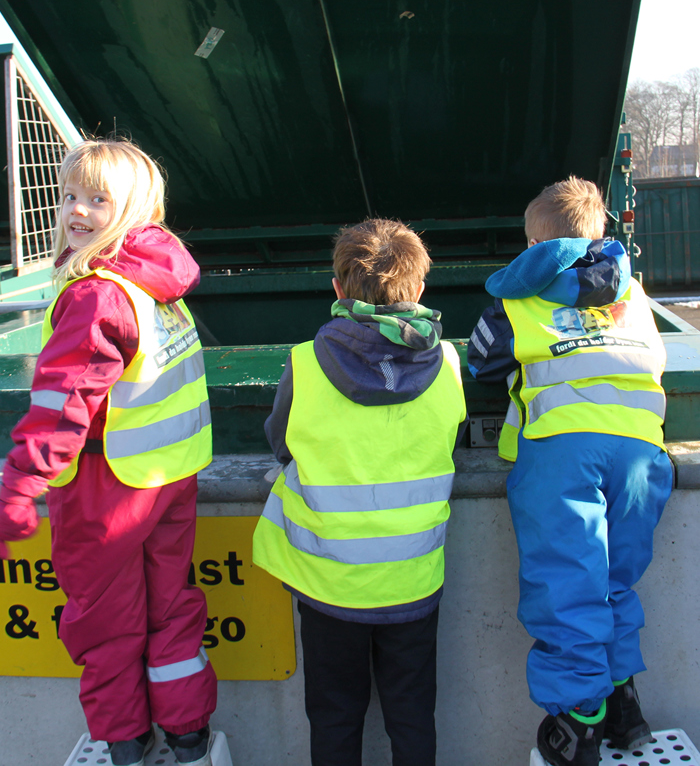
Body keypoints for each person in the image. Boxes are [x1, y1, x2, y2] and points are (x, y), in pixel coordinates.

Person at [0, 139, 217, 766]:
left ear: (134, 209)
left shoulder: (94, 294)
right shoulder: (155, 282)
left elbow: (60, 405)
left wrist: (19, 489)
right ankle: (188, 737)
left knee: (104, 623)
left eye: (98, 199)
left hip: (106, 489)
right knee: (171, 608)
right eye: (69, 196)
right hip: (167, 478)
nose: (77, 212)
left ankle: (124, 744)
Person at [467, 177, 672, 766]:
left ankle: (578, 721)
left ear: (534, 241)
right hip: (640, 455)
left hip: (562, 455)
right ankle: (623, 704)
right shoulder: (635, 297)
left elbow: (481, 360)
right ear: (601, 234)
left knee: (568, 587)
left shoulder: (518, 300)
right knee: (614, 583)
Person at [252, 218, 467, 766]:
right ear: (419, 289)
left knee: (333, 716)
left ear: (337, 289)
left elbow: (282, 443)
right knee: (413, 715)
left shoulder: (304, 361)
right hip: (413, 582)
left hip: (329, 585)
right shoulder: (447, 363)